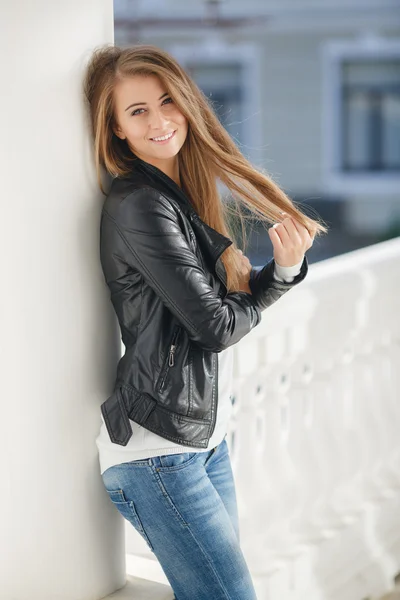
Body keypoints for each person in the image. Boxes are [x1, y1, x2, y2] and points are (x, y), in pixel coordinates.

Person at [83, 43, 327, 600]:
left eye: (168, 101)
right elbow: (215, 327)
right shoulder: (140, 203)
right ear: (116, 128)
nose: (161, 120)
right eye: (138, 110)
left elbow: (217, 311)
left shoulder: (177, 197)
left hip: (202, 442)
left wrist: (284, 269)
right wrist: (279, 282)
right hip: (159, 454)